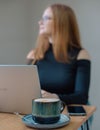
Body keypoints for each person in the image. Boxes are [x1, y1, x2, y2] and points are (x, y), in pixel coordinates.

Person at [27, 3, 91, 105]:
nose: (40, 22)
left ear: (62, 23)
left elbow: (82, 97)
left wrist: (55, 97)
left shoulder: (80, 54)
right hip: (39, 111)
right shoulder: (34, 54)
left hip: (68, 112)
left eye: (46, 18)